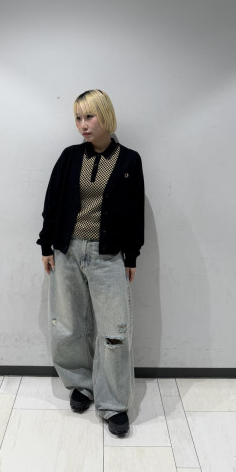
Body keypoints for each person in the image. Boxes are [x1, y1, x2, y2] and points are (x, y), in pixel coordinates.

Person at [36, 89, 145, 436]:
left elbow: (134, 213)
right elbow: (53, 202)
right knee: (69, 325)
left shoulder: (129, 161)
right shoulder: (70, 157)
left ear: (105, 116)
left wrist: (131, 254)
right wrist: (46, 244)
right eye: (78, 118)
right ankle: (81, 385)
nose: (83, 125)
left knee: (114, 332)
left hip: (107, 254)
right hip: (67, 251)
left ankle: (113, 403)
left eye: (89, 117)